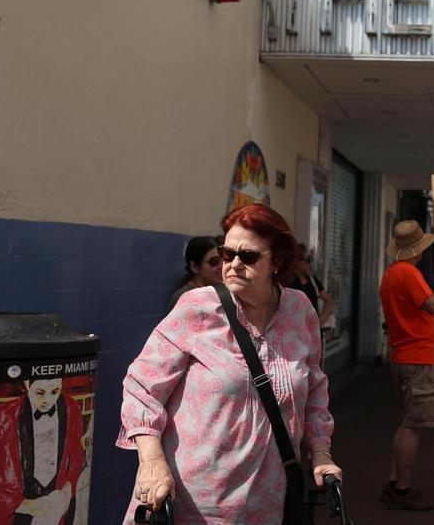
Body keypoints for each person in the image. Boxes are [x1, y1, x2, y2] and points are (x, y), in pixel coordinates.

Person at [118, 203, 341, 523]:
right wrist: (151, 462)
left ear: (277, 261)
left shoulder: (300, 310)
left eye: (248, 256)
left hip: (268, 501)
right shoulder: (198, 307)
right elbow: (142, 385)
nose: (234, 264)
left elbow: (315, 386)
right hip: (195, 501)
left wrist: (321, 452)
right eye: (227, 254)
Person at [378, 220, 434, 511]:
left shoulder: (391, 273)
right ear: (418, 248)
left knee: (407, 424)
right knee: (413, 426)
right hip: (417, 357)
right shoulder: (407, 272)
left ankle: (395, 483)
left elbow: (419, 310)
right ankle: (401, 488)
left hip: (404, 354)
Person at [0, 377, 86, 524]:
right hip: (10, 517)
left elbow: (76, 455)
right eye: (40, 393)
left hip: (54, 515)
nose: (47, 400)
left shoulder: (71, 409)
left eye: (55, 391)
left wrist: (69, 486)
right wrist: (24, 505)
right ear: (26, 384)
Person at [286, 242, 336, 334]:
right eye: (308, 260)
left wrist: (318, 323)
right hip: (293, 336)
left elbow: (329, 302)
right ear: (297, 261)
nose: (310, 264)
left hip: (313, 335)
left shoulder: (312, 280)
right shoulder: (287, 282)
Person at [167, 235, 223, 309]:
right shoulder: (184, 298)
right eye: (214, 262)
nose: (221, 266)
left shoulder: (214, 292)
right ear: (194, 267)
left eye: (223, 261)